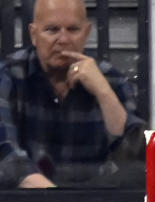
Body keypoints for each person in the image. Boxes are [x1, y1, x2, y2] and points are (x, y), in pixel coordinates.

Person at [0, 0, 145, 189]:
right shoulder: (8, 76)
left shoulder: (110, 80)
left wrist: (103, 92)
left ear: (86, 33)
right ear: (34, 35)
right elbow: (6, 153)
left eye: (73, 29)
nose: (63, 39)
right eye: (52, 30)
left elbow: (136, 160)